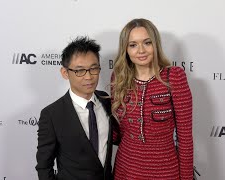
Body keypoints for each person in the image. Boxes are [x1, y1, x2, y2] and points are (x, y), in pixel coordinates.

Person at [111, 18, 193, 179]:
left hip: (165, 171)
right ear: (125, 49)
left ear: (155, 44)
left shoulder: (174, 76)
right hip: (125, 169)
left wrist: (186, 177)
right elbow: (116, 133)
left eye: (147, 43)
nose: (141, 50)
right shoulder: (118, 78)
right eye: (133, 45)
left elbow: (185, 137)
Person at [36, 36, 114, 180]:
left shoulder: (106, 100)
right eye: (79, 71)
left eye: (93, 68)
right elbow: (44, 166)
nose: (89, 76)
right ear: (65, 73)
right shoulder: (52, 114)